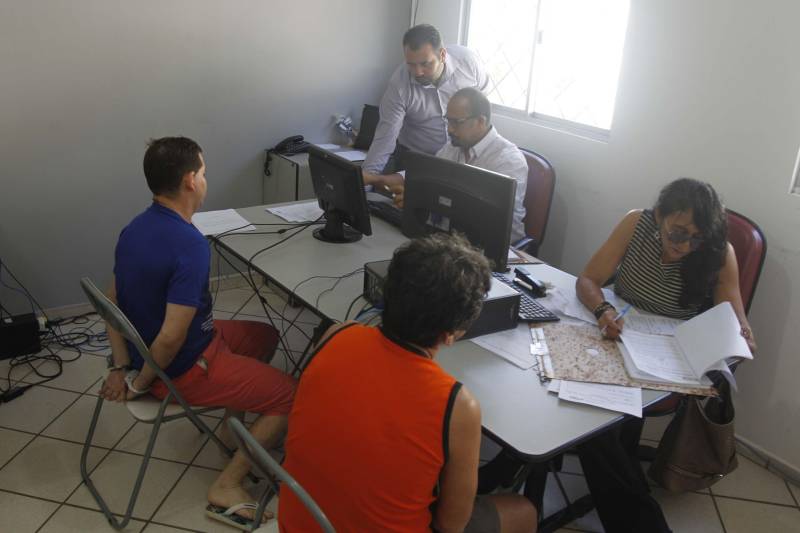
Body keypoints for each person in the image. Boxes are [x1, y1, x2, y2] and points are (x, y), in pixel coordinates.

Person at [99, 136, 295, 530]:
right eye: (203, 172)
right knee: (290, 396)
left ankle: (231, 432)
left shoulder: (134, 228)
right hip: (181, 368)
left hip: (186, 347)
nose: (206, 179)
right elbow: (170, 338)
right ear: (190, 180)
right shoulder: (190, 244)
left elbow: (111, 300)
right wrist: (139, 382)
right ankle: (227, 484)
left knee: (267, 337)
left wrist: (120, 365)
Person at [279, 234, 537, 532]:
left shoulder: (337, 334)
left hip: (300, 522)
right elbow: (451, 524)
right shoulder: (458, 404)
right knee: (523, 510)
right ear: (453, 332)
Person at [572, 177, 755, 533]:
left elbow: (734, 318)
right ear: (659, 216)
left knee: (591, 426)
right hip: (619, 332)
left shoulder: (719, 253)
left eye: (696, 237)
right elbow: (588, 280)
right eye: (678, 233)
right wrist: (601, 311)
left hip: (671, 354)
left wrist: (742, 335)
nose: (686, 246)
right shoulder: (635, 222)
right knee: (586, 409)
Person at [390, 87, 529, 243]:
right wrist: (417, 198)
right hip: (453, 236)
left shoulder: (508, 160)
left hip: (497, 246)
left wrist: (430, 201)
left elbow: (490, 216)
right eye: (448, 120)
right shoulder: (452, 147)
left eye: (456, 122)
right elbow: (433, 183)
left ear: (481, 121)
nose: (449, 129)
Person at [362, 23, 489, 186]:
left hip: (461, 157)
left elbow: (482, 103)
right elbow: (385, 138)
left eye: (425, 64)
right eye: (411, 64)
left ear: (442, 55)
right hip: (416, 157)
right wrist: (364, 183)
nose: (417, 72)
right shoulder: (399, 85)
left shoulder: (468, 62)